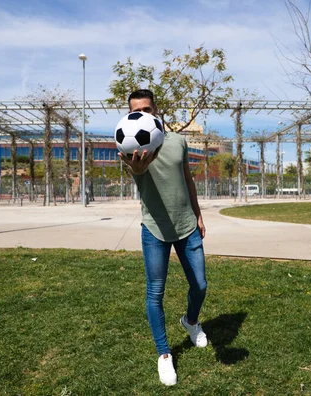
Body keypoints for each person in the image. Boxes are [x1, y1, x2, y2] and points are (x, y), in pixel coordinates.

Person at [119, 89, 208, 387]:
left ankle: (190, 322)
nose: (143, 114)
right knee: (154, 292)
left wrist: (198, 214)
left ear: (156, 109)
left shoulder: (178, 142)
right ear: (131, 114)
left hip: (187, 226)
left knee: (200, 285)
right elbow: (136, 171)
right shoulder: (131, 147)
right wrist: (136, 167)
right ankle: (164, 354)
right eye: (137, 111)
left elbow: (188, 180)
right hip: (154, 230)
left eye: (147, 108)